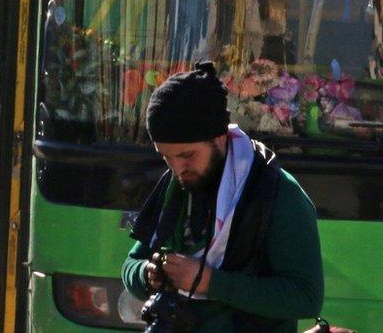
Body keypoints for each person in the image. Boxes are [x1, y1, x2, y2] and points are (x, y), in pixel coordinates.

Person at [121, 62, 324, 331]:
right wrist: (148, 275)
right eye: (166, 157)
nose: (177, 168)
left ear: (219, 137)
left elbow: (306, 298)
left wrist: (211, 283)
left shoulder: (278, 194)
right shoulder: (177, 184)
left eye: (187, 155)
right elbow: (131, 265)